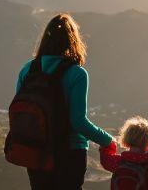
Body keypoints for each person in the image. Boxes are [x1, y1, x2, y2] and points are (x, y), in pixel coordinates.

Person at [15, 14, 114, 189]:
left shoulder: (27, 70)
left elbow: (20, 112)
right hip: (69, 152)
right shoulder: (77, 74)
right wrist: (107, 140)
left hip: (36, 150)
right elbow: (78, 121)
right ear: (73, 41)